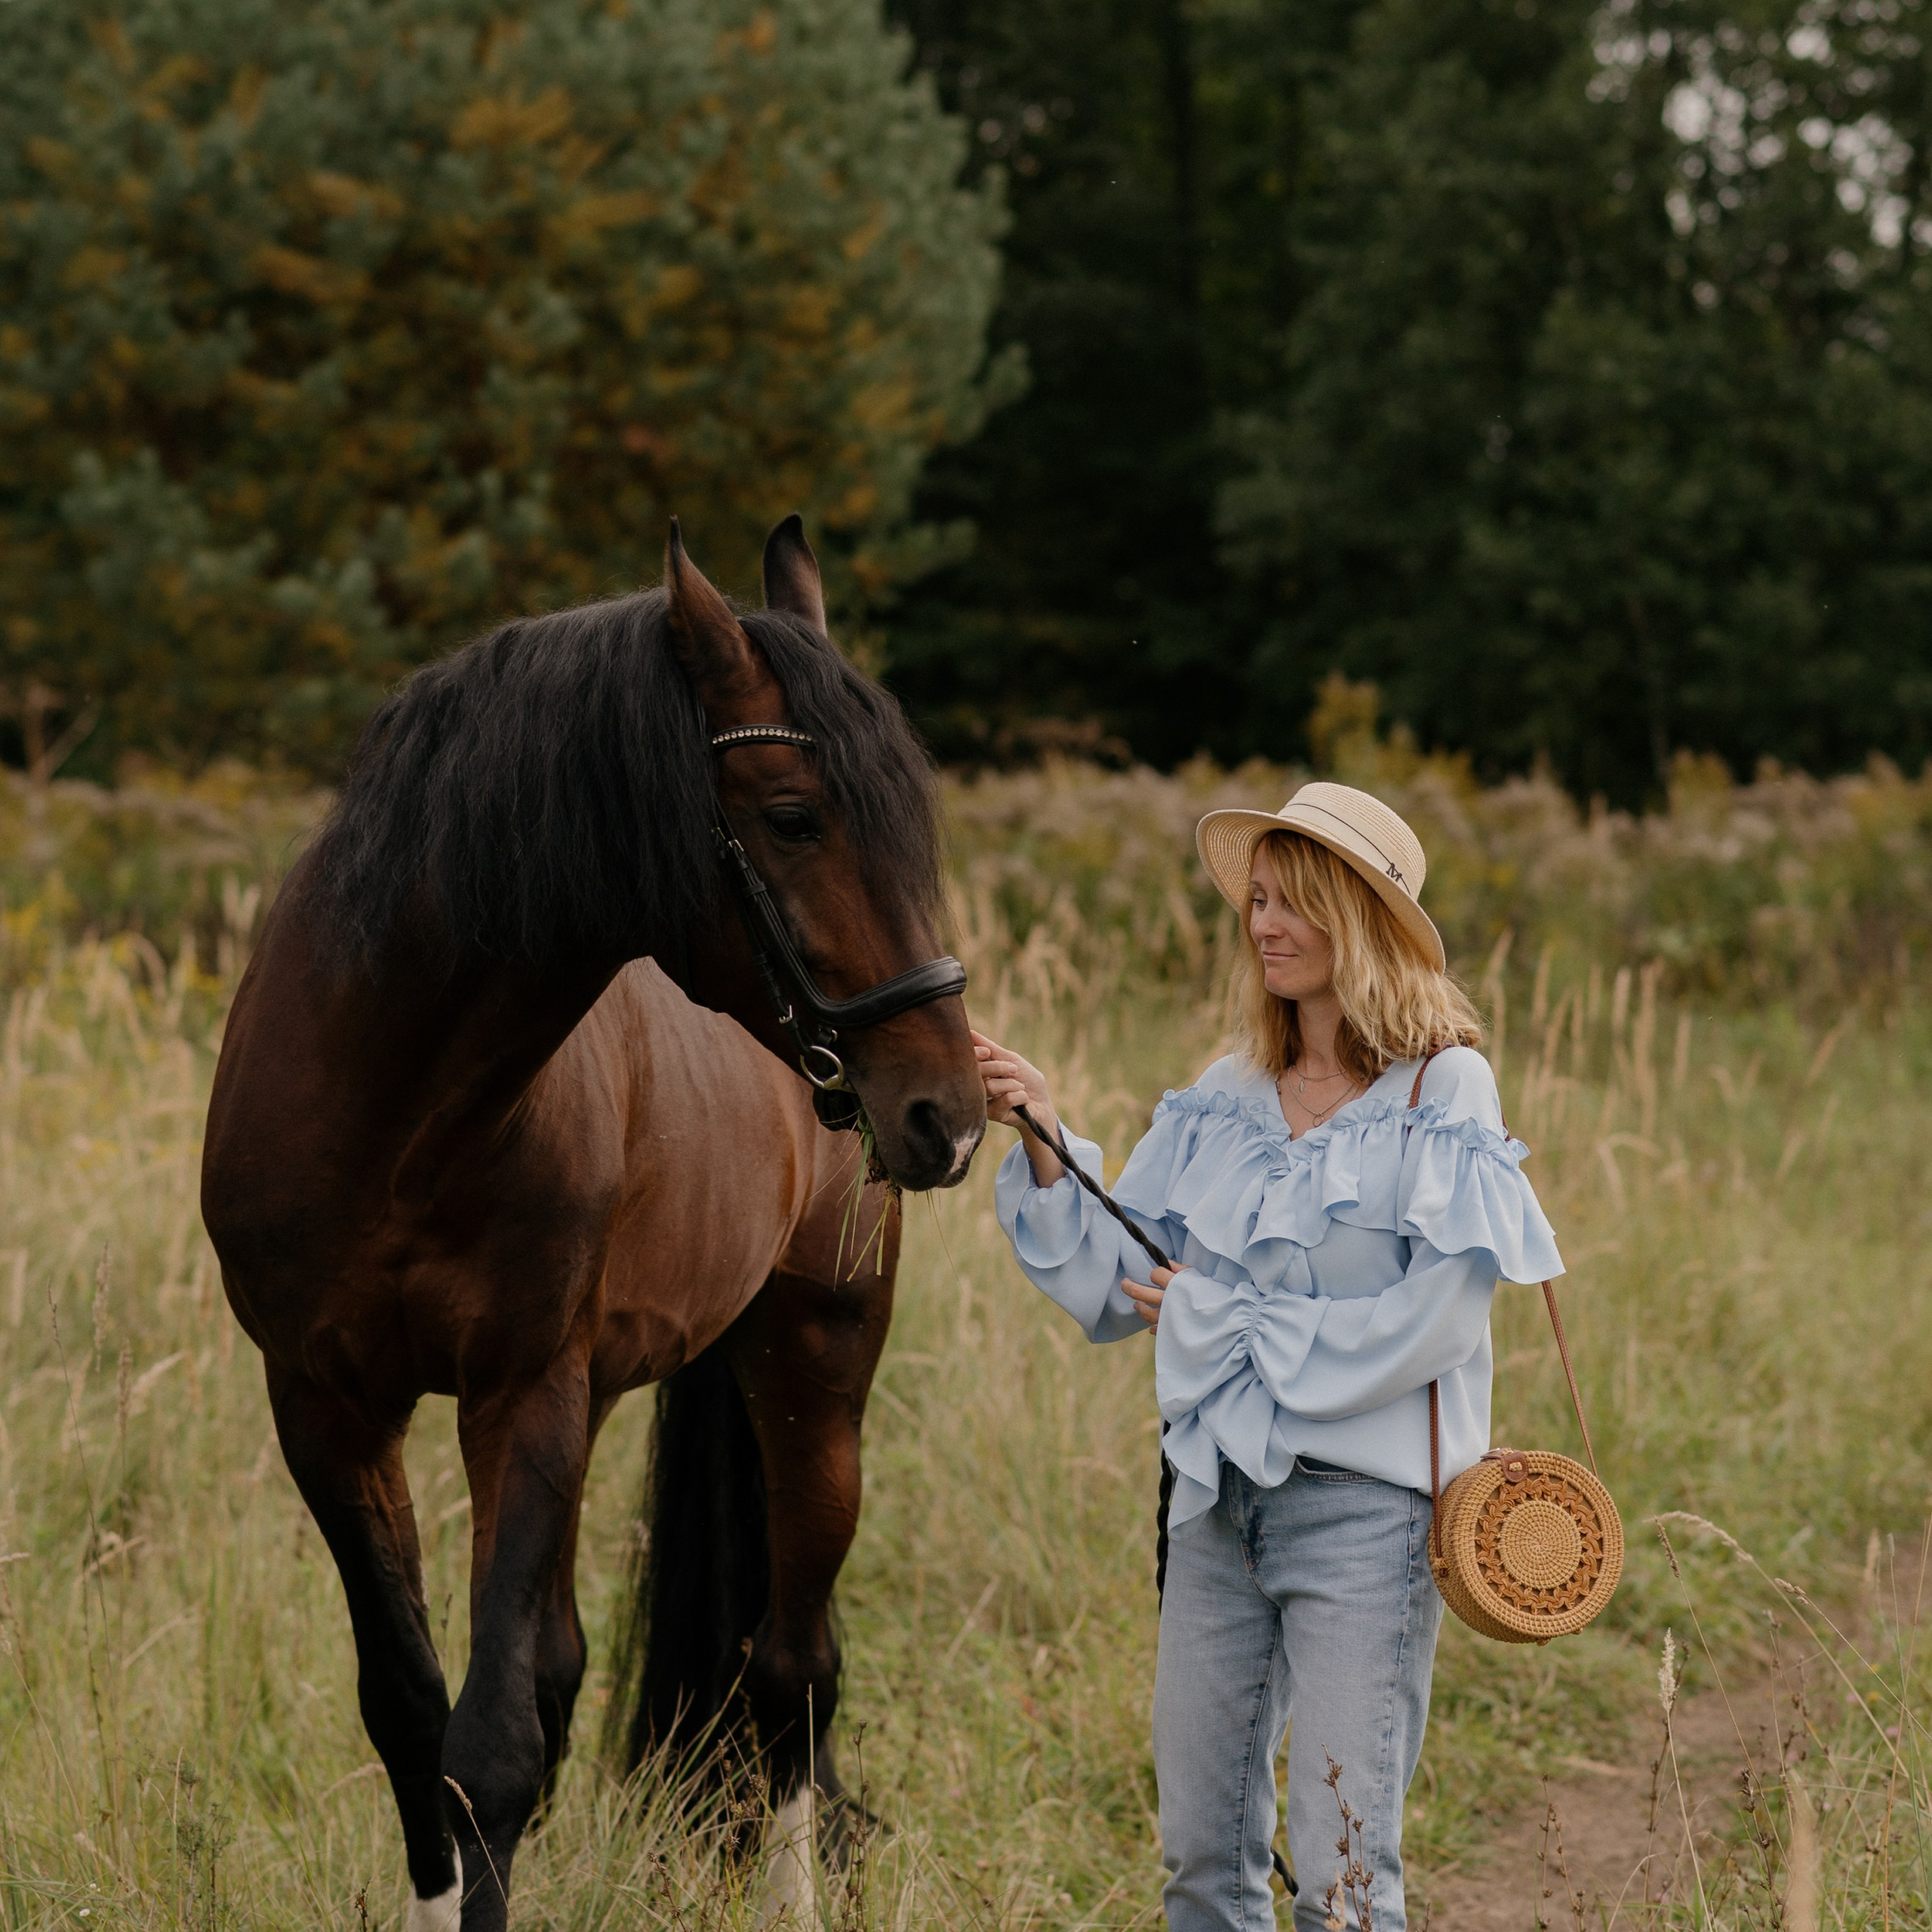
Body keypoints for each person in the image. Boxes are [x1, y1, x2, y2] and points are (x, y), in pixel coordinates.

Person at [974, 781, 1563, 1932]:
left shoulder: (1442, 1090)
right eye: (1256, 901)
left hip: (1369, 1523)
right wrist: (1044, 1132)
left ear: (1362, 920)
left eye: (1295, 902)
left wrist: (1231, 1325)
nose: (1265, 925)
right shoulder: (1228, 1094)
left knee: (1342, 1881)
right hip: (1217, 1508)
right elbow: (1129, 1281)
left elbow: (1438, 1324)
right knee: (1201, 1862)